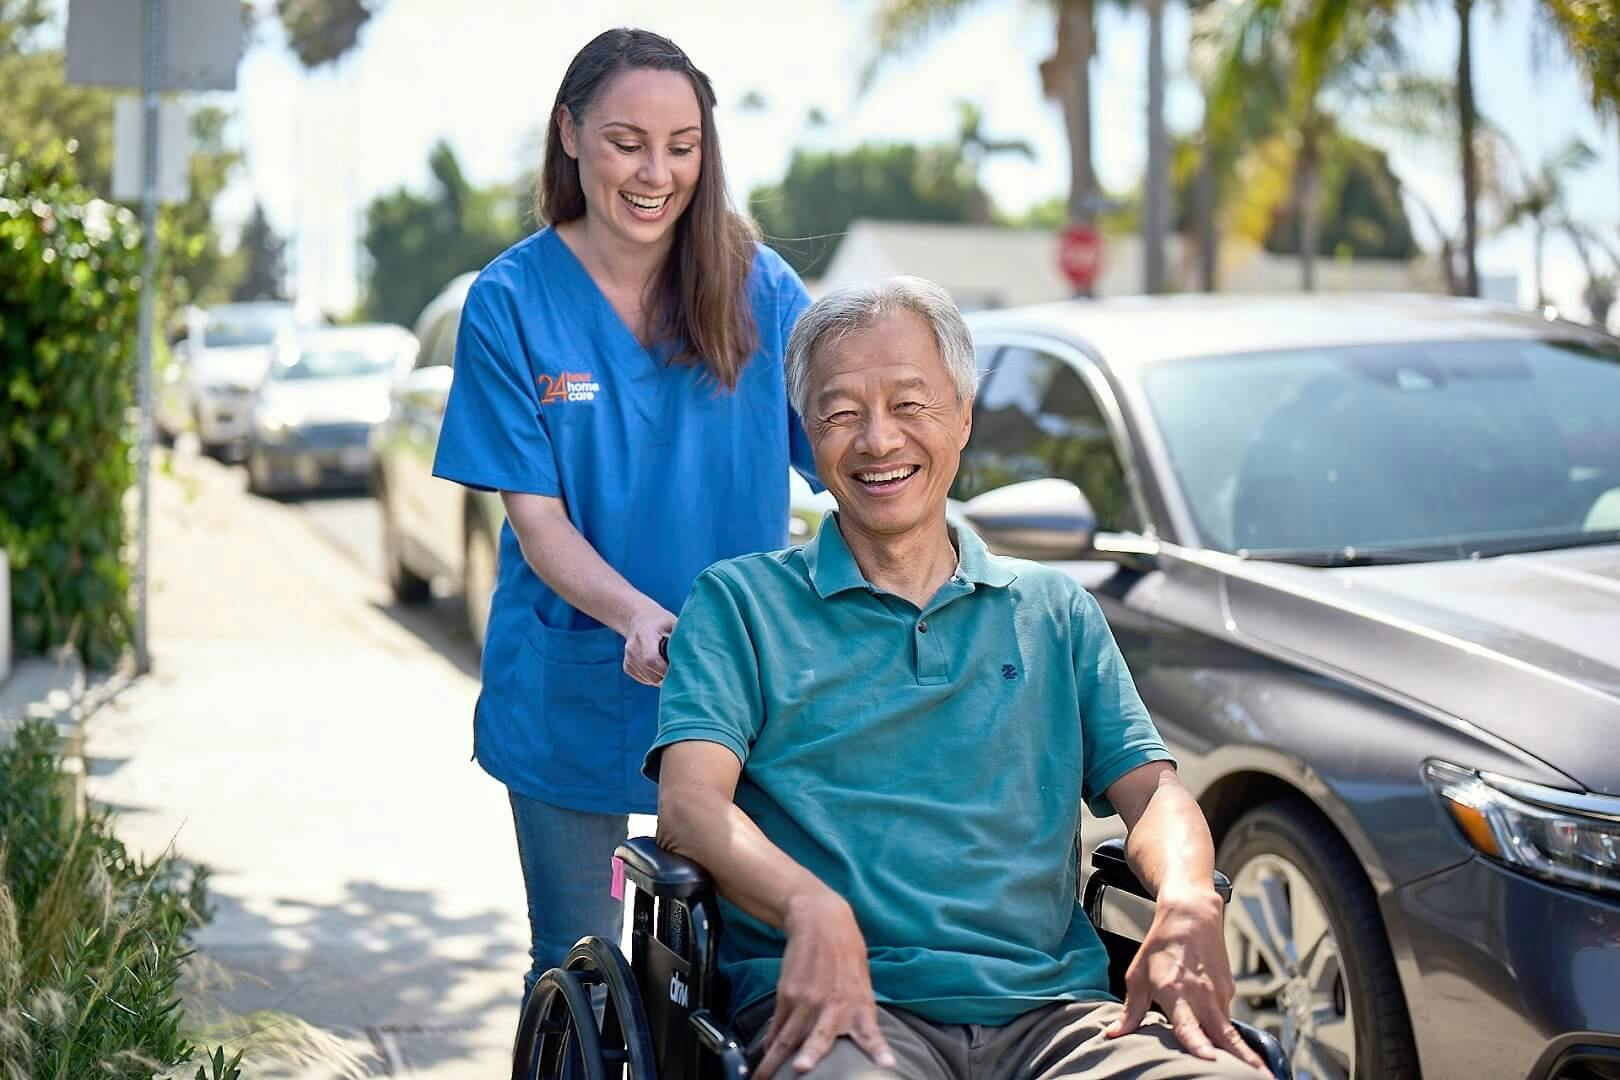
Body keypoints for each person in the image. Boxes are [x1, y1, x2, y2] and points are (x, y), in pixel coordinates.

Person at [646, 277, 1268, 1079]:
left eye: (911, 405)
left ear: (964, 417)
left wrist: (1187, 898)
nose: (877, 441)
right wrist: (809, 905)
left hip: (1057, 1018)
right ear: (808, 432)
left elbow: (1152, 796)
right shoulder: (739, 603)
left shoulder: (1054, 608)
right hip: (841, 1007)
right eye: (841, 414)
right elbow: (690, 807)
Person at [430, 28, 818, 1010]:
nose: (657, 173)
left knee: (732, 969)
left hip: (735, 689)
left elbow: (854, 452)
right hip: (571, 681)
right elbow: (539, 521)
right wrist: (634, 614)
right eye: (626, 142)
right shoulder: (511, 302)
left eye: (682, 145)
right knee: (576, 970)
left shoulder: (759, 288)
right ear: (569, 135)